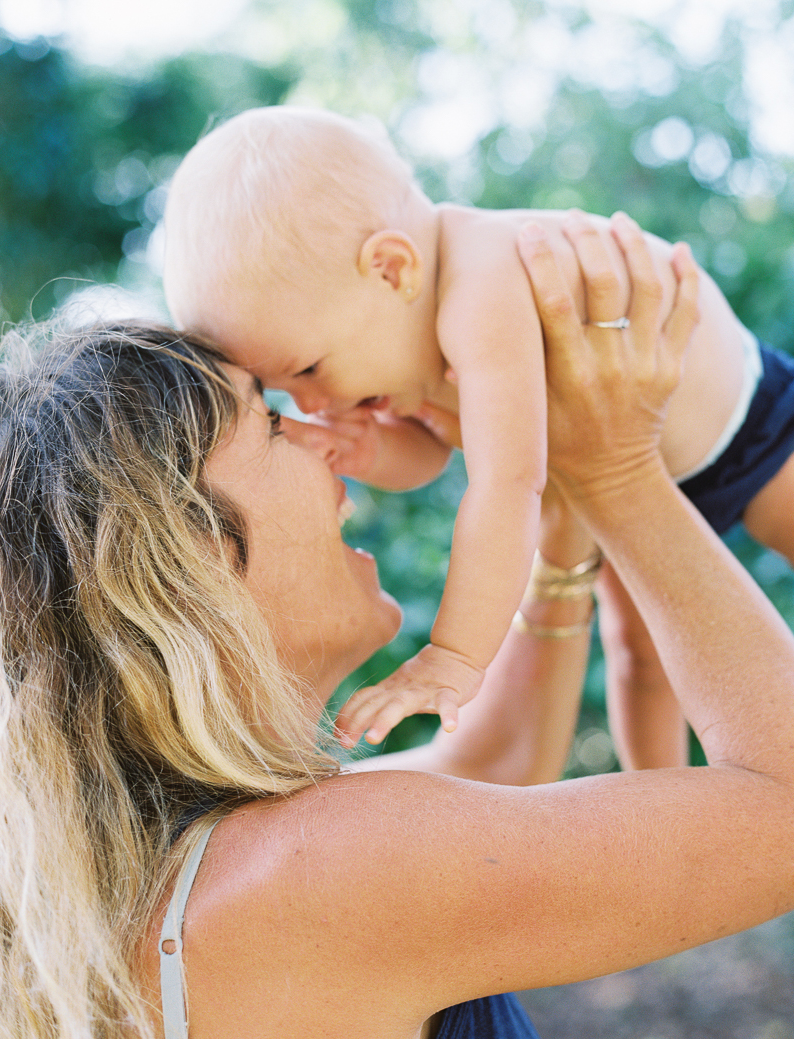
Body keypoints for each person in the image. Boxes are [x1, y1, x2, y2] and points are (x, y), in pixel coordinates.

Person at [0, 219, 794, 1039]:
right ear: (187, 553)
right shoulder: (326, 875)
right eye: (270, 423)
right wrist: (619, 471)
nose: (324, 432)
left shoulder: (142, 895)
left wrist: (556, 524)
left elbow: (503, 753)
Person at [162, 106, 794, 764]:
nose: (319, 404)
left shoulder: (482, 288)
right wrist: (373, 449)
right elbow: (433, 450)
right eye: (287, 396)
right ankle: (669, 810)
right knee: (645, 656)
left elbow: (509, 481)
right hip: (635, 480)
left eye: (310, 369)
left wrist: (453, 657)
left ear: (389, 269)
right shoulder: (395, 332)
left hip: (746, 425)